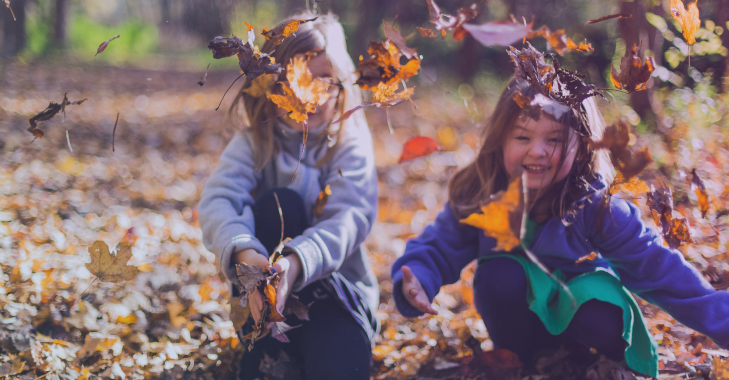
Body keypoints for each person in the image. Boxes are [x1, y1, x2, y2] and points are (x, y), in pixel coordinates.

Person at [391, 70, 729, 377]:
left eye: (553, 140)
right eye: (522, 137)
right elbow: (438, 246)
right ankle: (522, 362)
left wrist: (722, 321)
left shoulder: (598, 206)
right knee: (499, 273)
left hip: (589, 322)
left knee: (595, 299)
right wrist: (419, 277)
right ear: (500, 140)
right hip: (520, 326)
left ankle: (603, 363)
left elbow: (659, 269)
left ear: (581, 148)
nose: (537, 151)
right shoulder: (482, 194)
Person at [198, 13, 378, 380]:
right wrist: (247, 256)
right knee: (280, 204)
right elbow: (220, 199)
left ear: (340, 82)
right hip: (261, 303)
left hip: (336, 300)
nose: (306, 93)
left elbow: (350, 218)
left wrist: (296, 264)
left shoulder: (348, 145)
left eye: (322, 80)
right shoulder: (253, 143)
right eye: (292, 78)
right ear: (268, 83)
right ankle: (266, 350)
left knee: (344, 367)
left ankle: (325, 347)